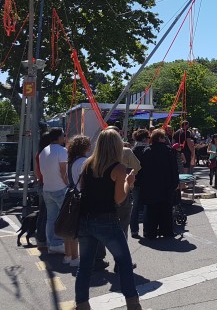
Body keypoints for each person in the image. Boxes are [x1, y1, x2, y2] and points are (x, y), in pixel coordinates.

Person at [75, 128, 140, 310]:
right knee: (125, 263)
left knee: (85, 265)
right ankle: (133, 304)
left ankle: (82, 304)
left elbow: (82, 188)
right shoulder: (118, 168)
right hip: (106, 220)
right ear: (117, 146)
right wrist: (129, 182)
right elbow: (119, 199)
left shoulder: (87, 164)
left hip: (85, 219)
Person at [139, 129, 179, 239]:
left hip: (150, 185)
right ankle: (166, 231)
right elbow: (174, 169)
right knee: (166, 209)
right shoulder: (169, 151)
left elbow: (142, 169)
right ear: (160, 138)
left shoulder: (147, 151)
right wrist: (175, 182)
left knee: (151, 210)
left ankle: (149, 232)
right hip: (166, 184)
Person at [38, 127, 68, 254]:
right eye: (63, 135)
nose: (64, 137)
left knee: (51, 218)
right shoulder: (62, 150)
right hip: (60, 188)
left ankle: (51, 244)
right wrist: (68, 183)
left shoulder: (44, 150)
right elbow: (63, 170)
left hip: (47, 188)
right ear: (59, 137)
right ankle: (58, 243)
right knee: (63, 218)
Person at [63, 135, 91, 267]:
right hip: (81, 197)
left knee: (69, 227)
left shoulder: (71, 161)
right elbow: (87, 183)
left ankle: (68, 255)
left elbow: (67, 179)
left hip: (70, 194)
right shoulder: (85, 162)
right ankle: (75, 258)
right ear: (85, 147)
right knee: (77, 230)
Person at [130, 129, 149, 238]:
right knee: (146, 205)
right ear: (144, 138)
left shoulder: (133, 150)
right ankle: (146, 230)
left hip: (135, 180)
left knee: (135, 206)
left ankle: (134, 230)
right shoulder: (147, 150)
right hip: (146, 181)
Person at [34, 132, 51, 248]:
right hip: (48, 184)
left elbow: (36, 171)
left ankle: (40, 238)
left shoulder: (38, 153)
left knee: (42, 213)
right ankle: (42, 238)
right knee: (47, 214)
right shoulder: (48, 153)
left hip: (41, 182)